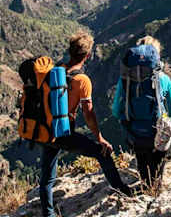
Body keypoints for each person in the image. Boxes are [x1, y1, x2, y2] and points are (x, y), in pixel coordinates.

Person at [38, 32, 134, 216]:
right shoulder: (82, 80)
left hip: (47, 129)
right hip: (64, 132)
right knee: (102, 153)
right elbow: (88, 114)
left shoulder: (56, 71)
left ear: (70, 51)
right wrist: (100, 137)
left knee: (46, 179)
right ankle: (122, 190)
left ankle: (48, 213)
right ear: (88, 56)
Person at [110, 36, 171, 187]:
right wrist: (164, 116)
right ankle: (156, 192)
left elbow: (116, 110)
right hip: (159, 134)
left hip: (136, 135)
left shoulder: (125, 80)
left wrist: (129, 119)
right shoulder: (164, 79)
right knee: (157, 172)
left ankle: (147, 188)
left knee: (144, 170)